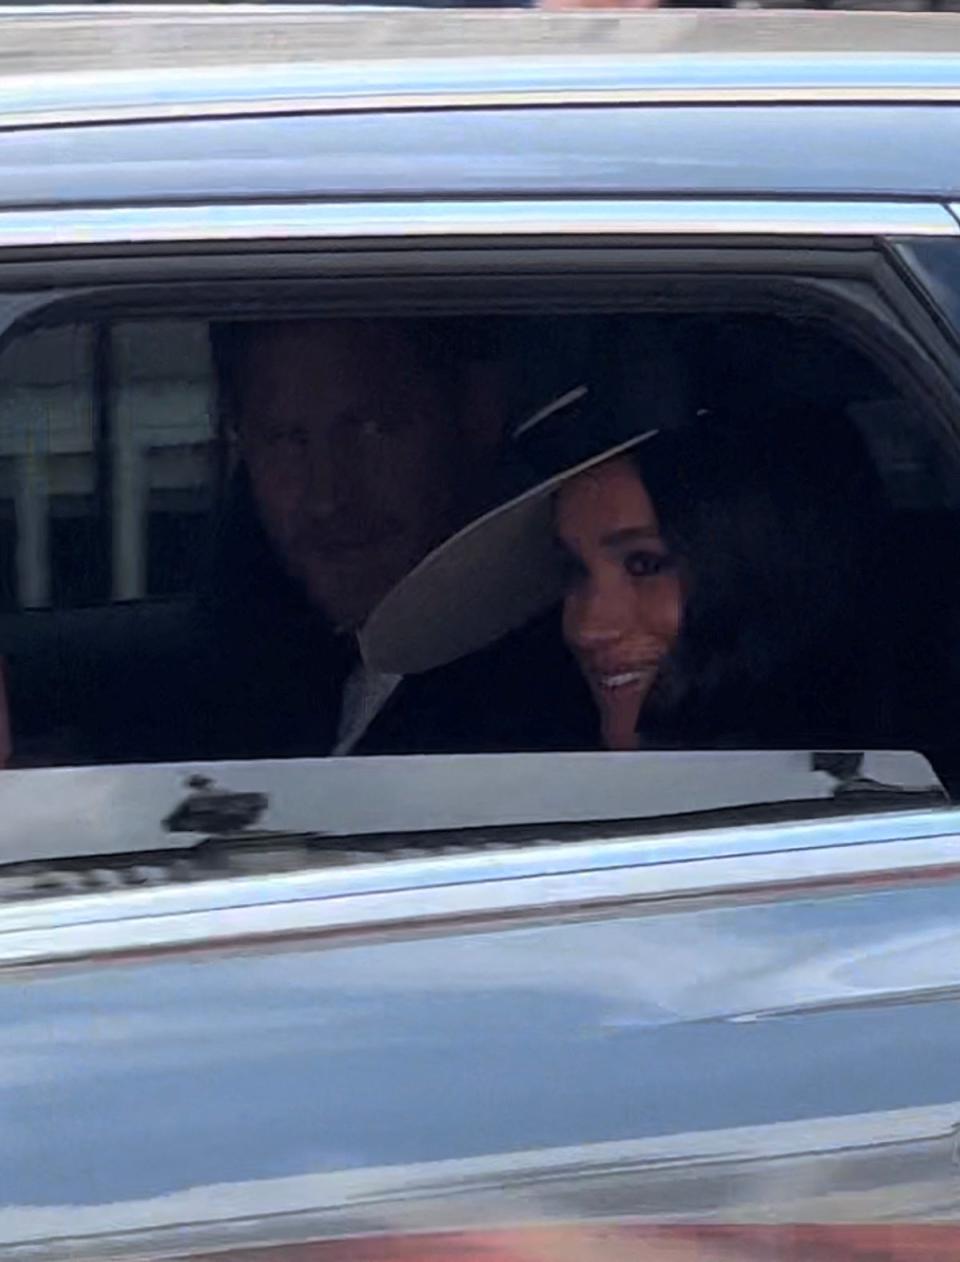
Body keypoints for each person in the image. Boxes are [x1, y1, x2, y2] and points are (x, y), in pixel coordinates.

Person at [362, 377, 904, 753]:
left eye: (644, 565)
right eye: (575, 569)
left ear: (764, 568)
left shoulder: (899, 826)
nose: (587, 627)